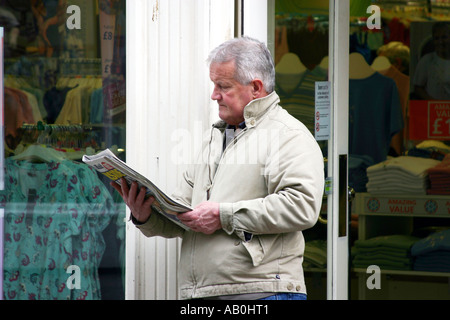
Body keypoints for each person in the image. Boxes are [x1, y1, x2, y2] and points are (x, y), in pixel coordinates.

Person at [112, 36, 325, 300]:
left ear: (256, 88)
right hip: (205, 294)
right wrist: (146, 215)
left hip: (263, 293)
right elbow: (186, 217)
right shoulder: (213, 138)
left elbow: (302, 207)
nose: (214, 95)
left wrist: (223, 215)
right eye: (214, 85)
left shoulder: (289, 135)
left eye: (223, 86)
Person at [413, 21, 450, 100]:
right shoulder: (426, 60)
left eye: (444, 37)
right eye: (437, 38)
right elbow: (418, 88)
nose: (440, 42)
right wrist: (433, 103)